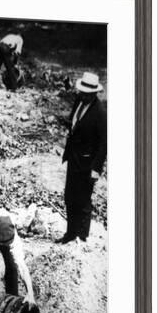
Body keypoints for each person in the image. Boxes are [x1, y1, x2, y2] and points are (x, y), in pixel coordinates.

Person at [58, 71, 107, 243]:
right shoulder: (79, 100)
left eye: (87, 94)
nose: (83, 96)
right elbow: (74, 122)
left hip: (87, 163)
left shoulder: (100, 113)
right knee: (70, 196)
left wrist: (96, 169)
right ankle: (70, 233)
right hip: (73, 158)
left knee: (84, 200)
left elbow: (103, 144)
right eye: (82, 92)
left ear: (94, 94)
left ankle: (82, 236)